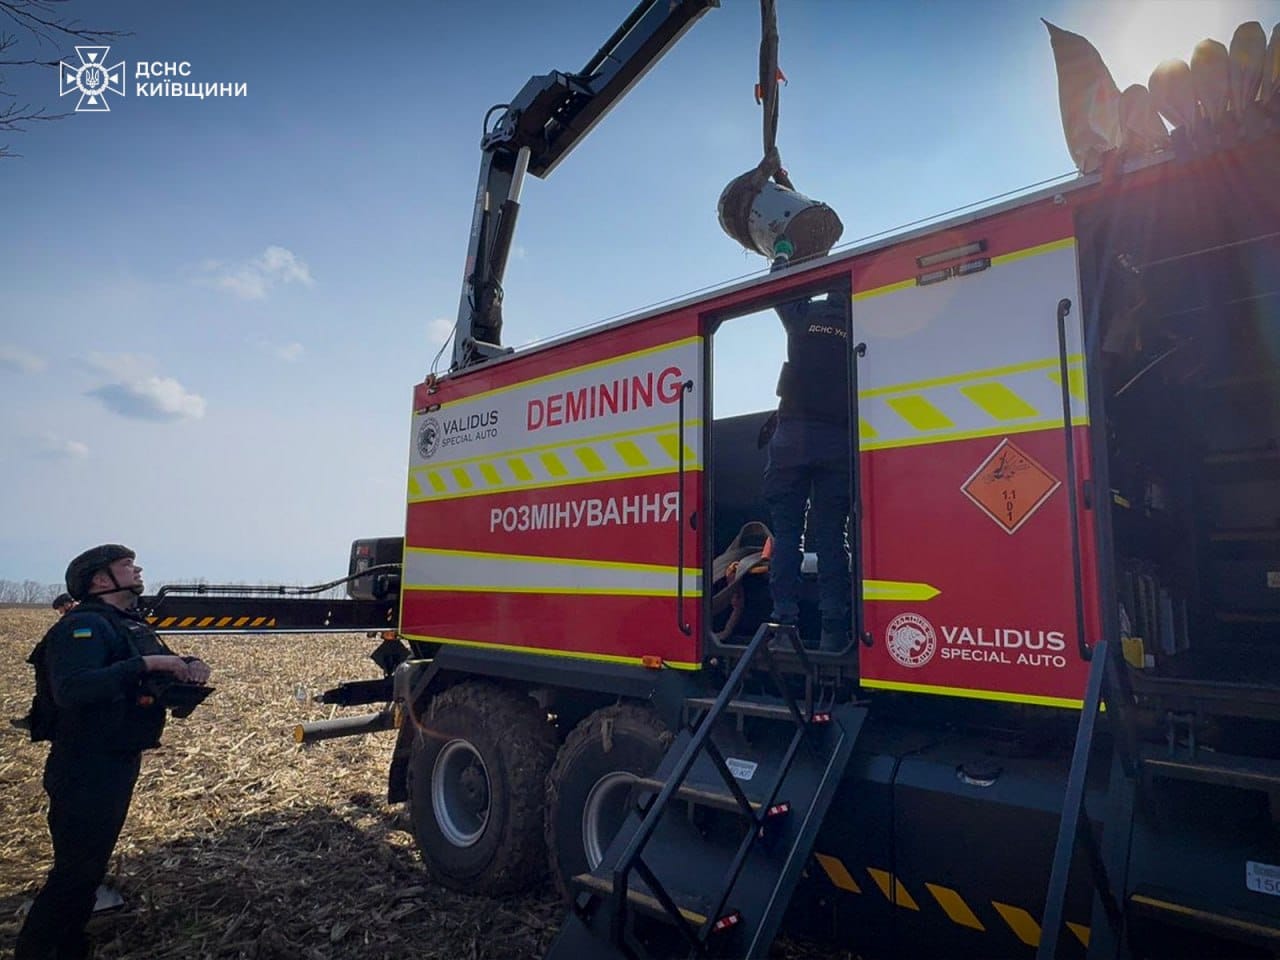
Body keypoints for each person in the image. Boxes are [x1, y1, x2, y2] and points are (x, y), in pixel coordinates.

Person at [16, 544, 211, 960]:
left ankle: (70, 947)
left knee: (88, 870)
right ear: (100, 580)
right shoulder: (82, 626)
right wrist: (147, 666)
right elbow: (73, 689)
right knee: (74, 873)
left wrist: (188, 667)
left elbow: (153, 671)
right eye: (126, 565)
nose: (137, 570)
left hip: (116, 760)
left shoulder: (128, 625)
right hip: (84, 764)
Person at [764, 254, 853, 653]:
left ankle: (784, 625)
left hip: (793, 439)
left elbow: (779, 286)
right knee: (833, 537)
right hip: (838, 440)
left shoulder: (803, 316)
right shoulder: (860, 320)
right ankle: (835, 631)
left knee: (787, 536)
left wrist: (782, 254)